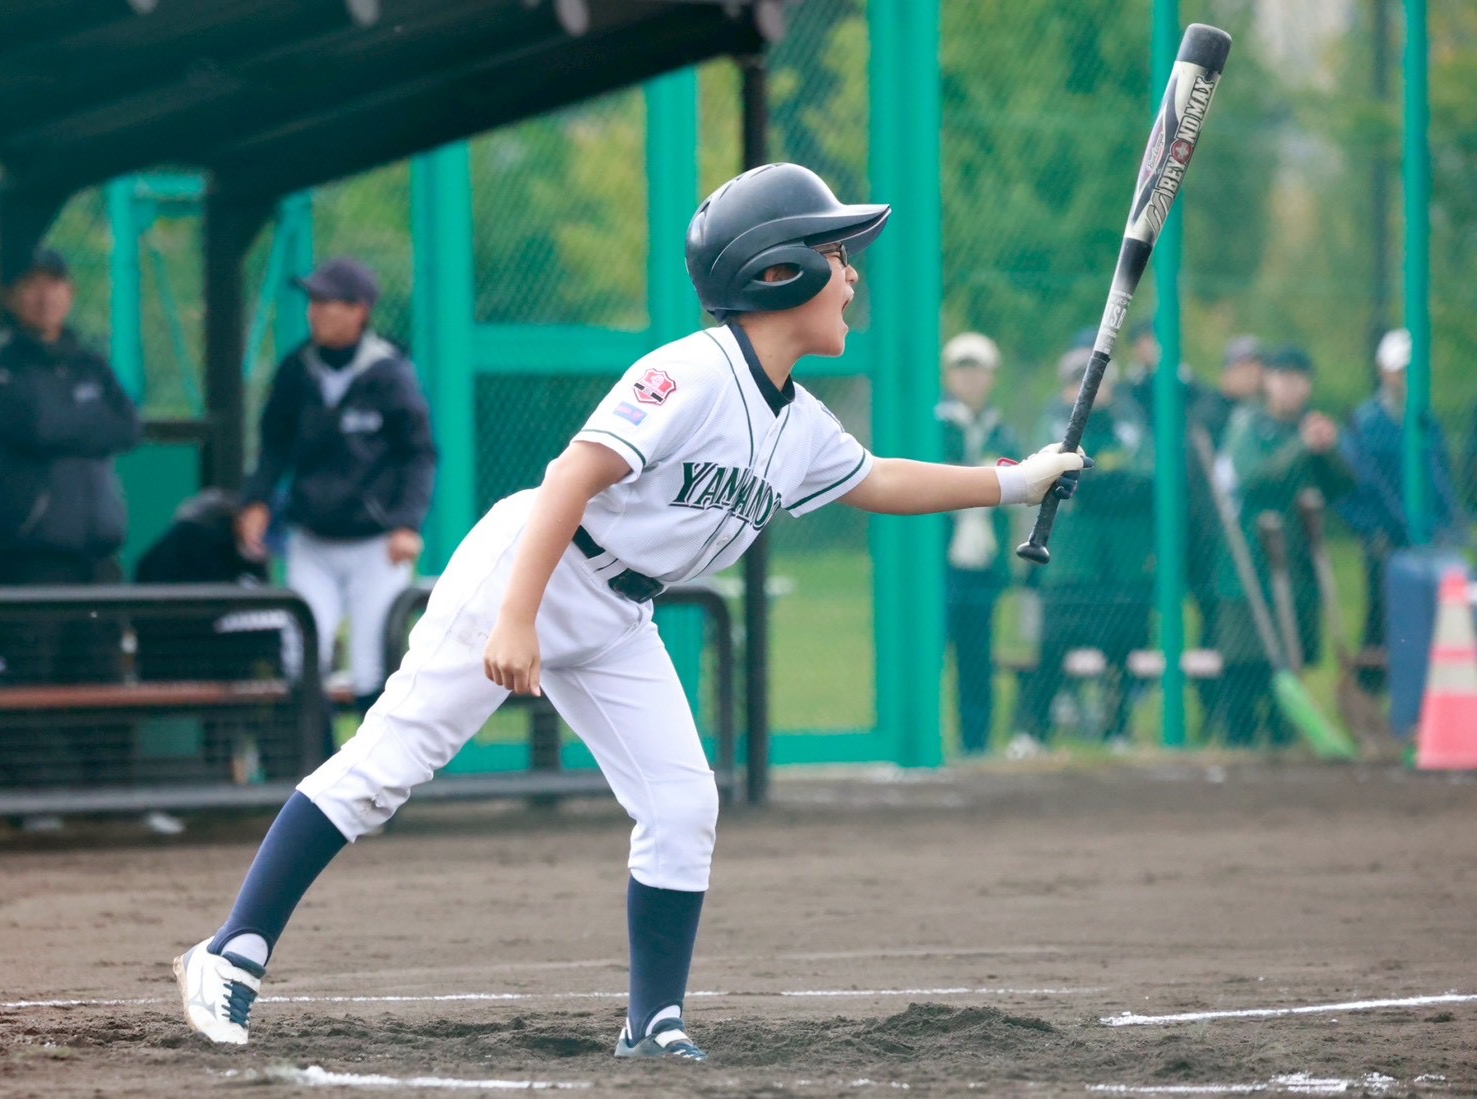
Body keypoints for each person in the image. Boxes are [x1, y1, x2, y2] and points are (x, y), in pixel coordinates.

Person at [172, 163, 1089, 1062]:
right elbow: (571, 476)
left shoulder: (799, 421)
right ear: (778, 271)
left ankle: (651, 1023)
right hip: (533, 564)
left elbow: (878, 477)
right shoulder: (689, 373)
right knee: (388, 764)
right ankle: (230, 952)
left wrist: (1013, 481)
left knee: (683, 802)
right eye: (835, 254)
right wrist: (517, 619)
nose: (851, 275)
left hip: (619, 612)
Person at [236, 258, 437, 721]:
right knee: (301, 657)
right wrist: (256, 501)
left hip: (376, 545)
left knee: (372, 668)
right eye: (313, 301)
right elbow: (273, 447)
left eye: (328, 302)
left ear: (359, 311)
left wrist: (407, 523)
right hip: (313, 540)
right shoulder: (297, 369)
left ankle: (374, 786)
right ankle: (316, 777)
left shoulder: (389, 373)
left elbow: (420, 453)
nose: (316, 311)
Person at [0, 248, 141, 820]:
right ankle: (36, 802)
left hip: (97, 553)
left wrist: (65, 422)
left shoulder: (90, 363)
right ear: (8, 297)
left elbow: (126, 425)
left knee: (102, 677)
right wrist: (82, 422)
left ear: (70, 293)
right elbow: (33, 424)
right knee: (29, 680)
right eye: (31, 284)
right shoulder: (0, 365)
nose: (45, 294)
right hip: (32, 557)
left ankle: (115, 803)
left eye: (55, 282)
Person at [1207, 346, 1354, 746]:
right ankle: (1240, 736)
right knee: (1246, 650)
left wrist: (1329, 449)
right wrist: (1301, 447)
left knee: (1295, 649)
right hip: (1251, 554)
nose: (1291, 388)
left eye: (1299, 379)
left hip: (1299, 556)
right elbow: (1254, 476)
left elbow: (1344, 485)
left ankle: (1284, 733)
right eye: (1283, 378)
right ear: (1268, 381)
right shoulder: (1249, 424)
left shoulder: (1310, 426)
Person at [1012, 344, 1152, 751]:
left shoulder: (1130, 421)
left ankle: (1118, 730)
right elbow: (1055, 475)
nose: (1088, 389)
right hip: (1069, 563)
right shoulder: (1056, 423)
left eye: (1096, 381)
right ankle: (1032, 732)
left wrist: (1100, 482)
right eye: (1079, 381)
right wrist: (1105, 482)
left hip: (1120, 564)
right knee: (1053, 648)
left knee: (1120, 652)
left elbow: (1142, 476)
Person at [1335, 328, 1465, 679]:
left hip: (1429, 541)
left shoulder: (1425, 423)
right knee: (1384, 622)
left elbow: (1440, 482)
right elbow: (1348, 492)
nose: (1406, 377)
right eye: (1400, 369)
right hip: (1385, 544)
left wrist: (1447, 523)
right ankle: (1379, 692)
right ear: (1383, 371)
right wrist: (1371, 530)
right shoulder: (1367, 425)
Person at [937, 332, 1020, 755]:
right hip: (938, 564)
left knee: (977, 658)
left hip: (983, 566)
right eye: (961, 370)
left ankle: (976, 743)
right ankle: (927, 740)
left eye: (978, 371)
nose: (970, 380)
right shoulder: (934, 424)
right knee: (929, 653)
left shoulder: (1001, 431)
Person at [1186, 335, 1267, 737]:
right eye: (1243, 367)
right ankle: (1214, 716)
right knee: (1214, 634)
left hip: (1253, 547)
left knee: (1256, 637)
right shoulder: (1207, 415)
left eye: (1257, 367)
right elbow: (1198, 488)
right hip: (1211, 546)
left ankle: (1256, 718)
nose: (1251, 376)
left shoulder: (1262, 417)